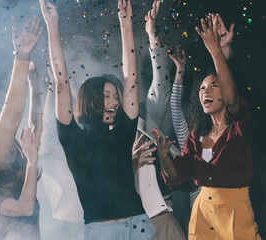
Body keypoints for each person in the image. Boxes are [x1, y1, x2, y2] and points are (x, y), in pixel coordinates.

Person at [40, 0, 156, 239]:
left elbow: (132, 79)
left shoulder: (123, 131)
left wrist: (125, 26)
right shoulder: (72, 137)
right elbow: (61, 84)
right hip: (99, 231)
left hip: (138, 225)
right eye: (107, 96)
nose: (114, 101)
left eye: (116, 96)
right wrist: (52, 25)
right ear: (90, 99)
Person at [152, 14, 261, 240]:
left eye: (214, 85)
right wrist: (164, 158)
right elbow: (176, 176)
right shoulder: (195, 137)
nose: (206, 91)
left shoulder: (241, 126)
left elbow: (233, 101)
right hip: (201, 212)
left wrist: (216, 51)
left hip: (235, 213)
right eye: (202, 88)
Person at [0, 17, 43, 240]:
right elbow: (23, 208)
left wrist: (35, 90)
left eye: (11, 147)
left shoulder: (19, 169)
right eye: (3, 147)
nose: (8, 150)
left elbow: (35, 126)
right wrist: (22, 57)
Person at [132, 1, 186, 239]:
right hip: (127, 221)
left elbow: (161, 85)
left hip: (162, 217)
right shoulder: (100, 135)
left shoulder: (145, 120)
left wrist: (152, 35)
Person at [36, 63, 84, 240]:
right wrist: (54, 85)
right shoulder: (50, 150)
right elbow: (47, 119)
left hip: (90, 219)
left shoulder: (84, 145)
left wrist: (66, 83)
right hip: (61, 225)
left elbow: (89, 111)